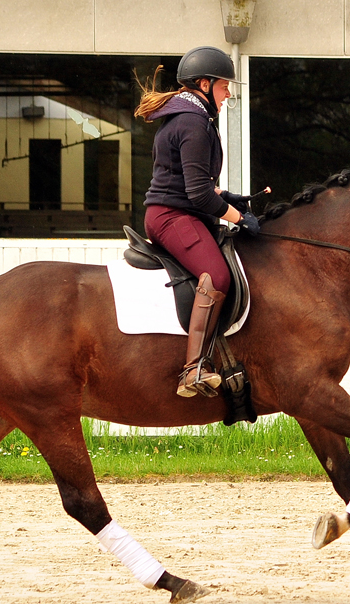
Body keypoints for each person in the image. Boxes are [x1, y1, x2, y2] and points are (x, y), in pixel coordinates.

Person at [135, 46, 260, 398]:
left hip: (177, 210)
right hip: (172, 216)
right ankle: (193, 370)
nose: (228, 93)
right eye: (224, 86)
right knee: (217, 276)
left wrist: (228, 197)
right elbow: (198, 196)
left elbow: (195, 183)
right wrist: (240, 218)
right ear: (204, 84)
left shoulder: (188, 118)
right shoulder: (193, 123)